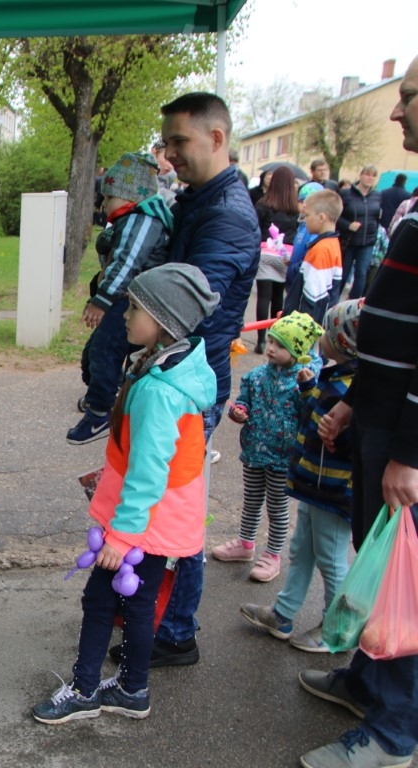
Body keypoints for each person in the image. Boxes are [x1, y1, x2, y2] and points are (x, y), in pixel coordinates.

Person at [31, 264, 219, 724]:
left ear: (164, 322)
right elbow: (146, 454)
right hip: (155, 517)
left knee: (102, 600)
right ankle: (132, 689)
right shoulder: (166, 368)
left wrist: (121, 536)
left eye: (135, 308)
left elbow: (151, 471)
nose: (126, 316)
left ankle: (85, 690)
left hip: (142, 524)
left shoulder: (158, 390)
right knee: (137, 601)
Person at [298, 54, 418, 768]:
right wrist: (350, 405)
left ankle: (397, 731)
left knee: (404, 575)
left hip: (405, 441)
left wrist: (410, 450)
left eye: (408, 98)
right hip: (376, 421)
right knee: (377, 566)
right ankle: (369, 684)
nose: (397, 112)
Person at [130, 92, 260, 668]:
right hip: (174, 377)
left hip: (187, 387)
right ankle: (154, 614)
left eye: (179, 141)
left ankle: (175, 629)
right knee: (162, 502)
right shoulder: (199, 200)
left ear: (216, 138)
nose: (169, 153)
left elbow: (184, 307)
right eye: (167, 143)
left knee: (175, 511)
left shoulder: (226, 215)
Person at [239, 299, 360, 653]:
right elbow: (313, 416)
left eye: (327, 331)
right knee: (302, 550)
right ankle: (284, 614)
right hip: (313, 487)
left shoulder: (352, 389)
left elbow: (350, 439)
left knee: (331, 558)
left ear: (341, 342)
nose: (319, 336)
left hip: (334, 491)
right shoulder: (334, 378)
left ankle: (335, 631)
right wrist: (310, 390)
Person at [212, 312, 322, 582]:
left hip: (283, 457)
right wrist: (238, 411)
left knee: (277, 507)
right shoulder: (256, 376)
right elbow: (244, 401)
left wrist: (308, 389)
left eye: (280, 345)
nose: (271, 348)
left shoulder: (303, 382)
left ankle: (273, 554)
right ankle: (245, 544)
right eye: (271, 341)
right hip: (254, 450)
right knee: (250, 501)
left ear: (298, 352)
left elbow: (312, 414)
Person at [71, 152, 172, 444]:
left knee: (105, 350)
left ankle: (100, 411)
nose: (103, 206)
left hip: (133, 301)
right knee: (95, 355)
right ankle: (108, 399)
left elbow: (127, 262)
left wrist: (101, 300)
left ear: (128, 196)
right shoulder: (132, 219)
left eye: (108, 197)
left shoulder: (142, 219)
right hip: (126, 298)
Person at [253, 166, 302, 352]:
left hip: (266, 252)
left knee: (263, 297)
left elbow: (255, 228)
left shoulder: (263, 204)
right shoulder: (295, 207)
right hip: (285, 255)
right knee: (278, 297)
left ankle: (260, 340)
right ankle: (277, 339)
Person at [284, 189, 345, 324]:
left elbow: (313, 297)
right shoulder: (332, 244)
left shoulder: (321, 250)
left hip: (303, 328)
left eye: (307, 215)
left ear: (321, 217)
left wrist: (299, 327)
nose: (305, 220)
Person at [338, 165, 383, 299]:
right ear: (361, 175)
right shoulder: (346, 194)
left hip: (367, 242)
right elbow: (335, 217)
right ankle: (333, 303)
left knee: (361, 273)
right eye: (367, 174)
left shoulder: (377, 195)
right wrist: (347, 225)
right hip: (349, 241)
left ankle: (353, 305)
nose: (370, 178)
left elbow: (378, 217)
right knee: (343, 274)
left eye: (373, 175)